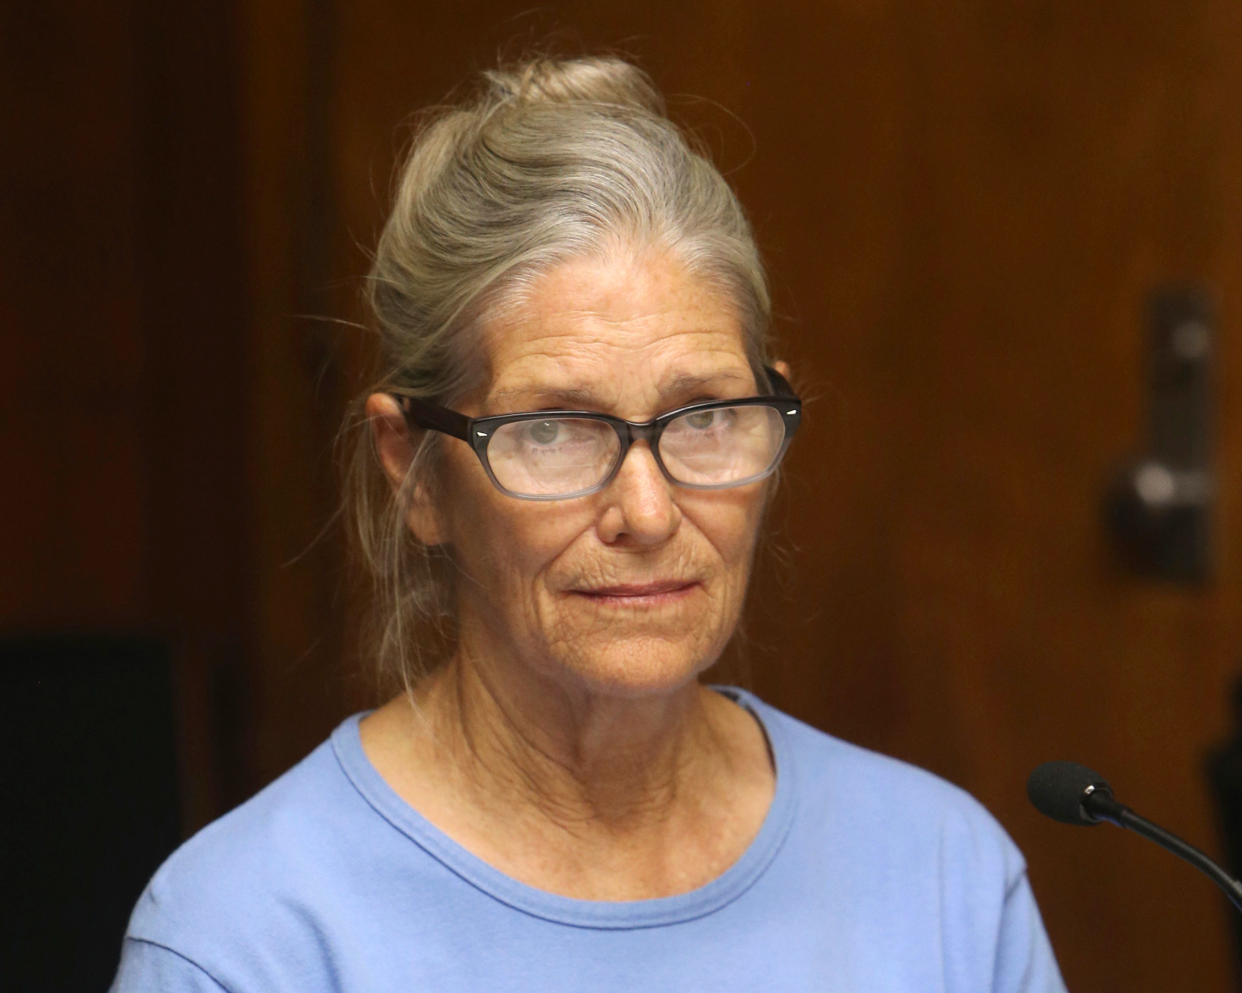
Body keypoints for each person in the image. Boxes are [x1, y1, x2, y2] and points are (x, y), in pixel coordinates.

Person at [111, 55, 1068, 992]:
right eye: (555, 431)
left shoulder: (946, 881)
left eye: (702, 417)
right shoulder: (247, 938)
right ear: (418, 467)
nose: (647, 512)